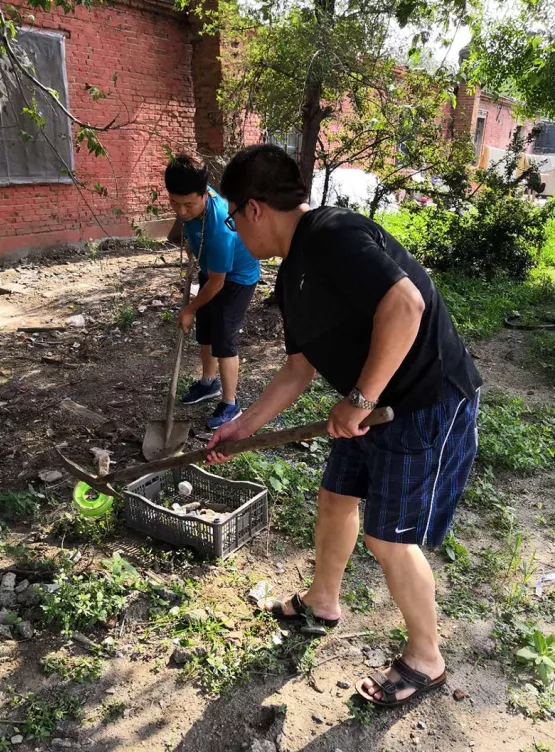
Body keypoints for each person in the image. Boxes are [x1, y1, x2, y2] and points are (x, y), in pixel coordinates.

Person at [207, 144, 482, 708]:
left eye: (233, 219)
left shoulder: (334, 234)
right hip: (370, 404)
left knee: (389, 538)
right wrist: (242, 426)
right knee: (335, 499)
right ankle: (323, 601)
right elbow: (299, 369)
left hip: (423, 400)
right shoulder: (292, 273)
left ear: (254, 208)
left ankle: (426, 658)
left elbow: (406, 305)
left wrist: (359, 398)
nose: (235, 232)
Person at [164, 155, 261, 429]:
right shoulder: (193, 198)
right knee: (205, 329)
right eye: (175, 203)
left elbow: (218, 283)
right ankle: (209, 383)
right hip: (213, 269)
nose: (181, 211)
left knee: (223, 337)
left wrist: (189, 309)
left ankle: (231, 404)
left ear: (204, 195)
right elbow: (192, 231)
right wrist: (191, 245)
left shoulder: (220, 227)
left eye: (188, 205)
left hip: (237, 277)